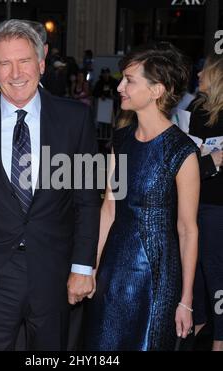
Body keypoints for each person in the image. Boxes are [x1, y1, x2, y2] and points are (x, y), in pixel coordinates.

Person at [0, 19, 100, 351]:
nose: (16, 73)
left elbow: (86, 197)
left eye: (24, 61)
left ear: (41, 63)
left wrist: (83, 266)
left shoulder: (74, 118)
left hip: (54, 270)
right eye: (4, 63)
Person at [84, 42, 200, 351]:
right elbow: (108, 208)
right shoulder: (120, 141)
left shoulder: (181, 151)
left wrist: (186, 300)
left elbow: (187, 229)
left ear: (156, 90)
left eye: (130, 80)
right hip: (112, 268)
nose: (120, 86)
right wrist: (91, 267)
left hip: (157, 278)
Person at [188, 54, 223, 352]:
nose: (199, 73)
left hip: (217, 208)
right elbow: (187, 163)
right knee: (195, 270)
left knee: (215, 272)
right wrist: (210, 160)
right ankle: (199, 330)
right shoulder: (196, 109)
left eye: (206, 70)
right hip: (194, 203)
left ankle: (219, 340)